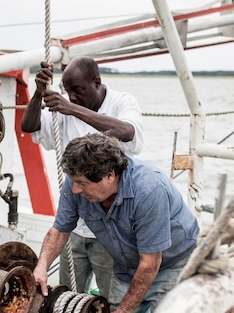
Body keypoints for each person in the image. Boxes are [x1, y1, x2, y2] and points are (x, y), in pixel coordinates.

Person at [33, 133, 199, 313]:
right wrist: (41, 267)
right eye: (74, 181)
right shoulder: (75, 183)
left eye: (82, 183)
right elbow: (59, 231)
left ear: (109, 176)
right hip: (127, 266)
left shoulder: (148, 190)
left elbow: (150, 263)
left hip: (173, 264)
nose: (75, 189)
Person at [21, 56, 144, 298]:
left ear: (96, 83)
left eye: (77, 90)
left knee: (113, 300)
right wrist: (38, 93)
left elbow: (127, 132)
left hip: (112, 229)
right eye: (68, 91)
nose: (72, 96)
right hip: (75, 225)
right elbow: (28, 126)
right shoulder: (64, 108)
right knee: (66, 297)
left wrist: (72, 109)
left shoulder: (122, 101)